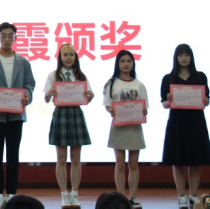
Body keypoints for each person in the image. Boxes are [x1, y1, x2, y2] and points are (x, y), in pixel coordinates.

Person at [0, 22, 36, 209]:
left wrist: (27, 97)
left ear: (15, 38)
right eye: (4, 35)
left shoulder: (23, 62)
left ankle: (11, 193)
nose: (7, 39)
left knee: (13, 156)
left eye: (11, 35)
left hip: (16, 116)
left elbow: (30, 85)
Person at [161, 44, 210, 209]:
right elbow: (164, 104)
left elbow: (207, 100)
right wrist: (169, 100)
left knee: (195, 161)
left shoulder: (200, 76)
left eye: (187, 55)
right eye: (180, 55)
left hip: (196, 122)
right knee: (177, 160)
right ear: (176, 58)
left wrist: (205, 101)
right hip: (177, 122)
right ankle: (181, 195)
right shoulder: (168, 78)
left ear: (191, 57)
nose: (184, 58)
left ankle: (193, 195)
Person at [44, 44, 94, 209]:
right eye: (65, 55)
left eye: (71, 55)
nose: (68, 58)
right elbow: (46, 99)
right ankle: (64, 194)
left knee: (76, 159)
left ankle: (75, 194)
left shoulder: (81, 75)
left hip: (75, 114)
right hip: (60, 114)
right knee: (61, 158)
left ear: (75, 57)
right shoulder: (53, 75)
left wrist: (90, 96)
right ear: (60, 57)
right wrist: (48, 94)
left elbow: (87, 98)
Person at [102, 50, 148, 209]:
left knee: (133, 164)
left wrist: (144, 111)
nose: (126, 64)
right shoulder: (111, 83)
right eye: (123, 61)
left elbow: (144, 106)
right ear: (118, 63)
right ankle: (121, 197)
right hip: (119, 127)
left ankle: (133, 197)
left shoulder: (139, 85)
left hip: (134, 127)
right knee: (120, 164)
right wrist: (112, 111)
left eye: (129, 61)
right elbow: (108, 105)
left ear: (133, 63)